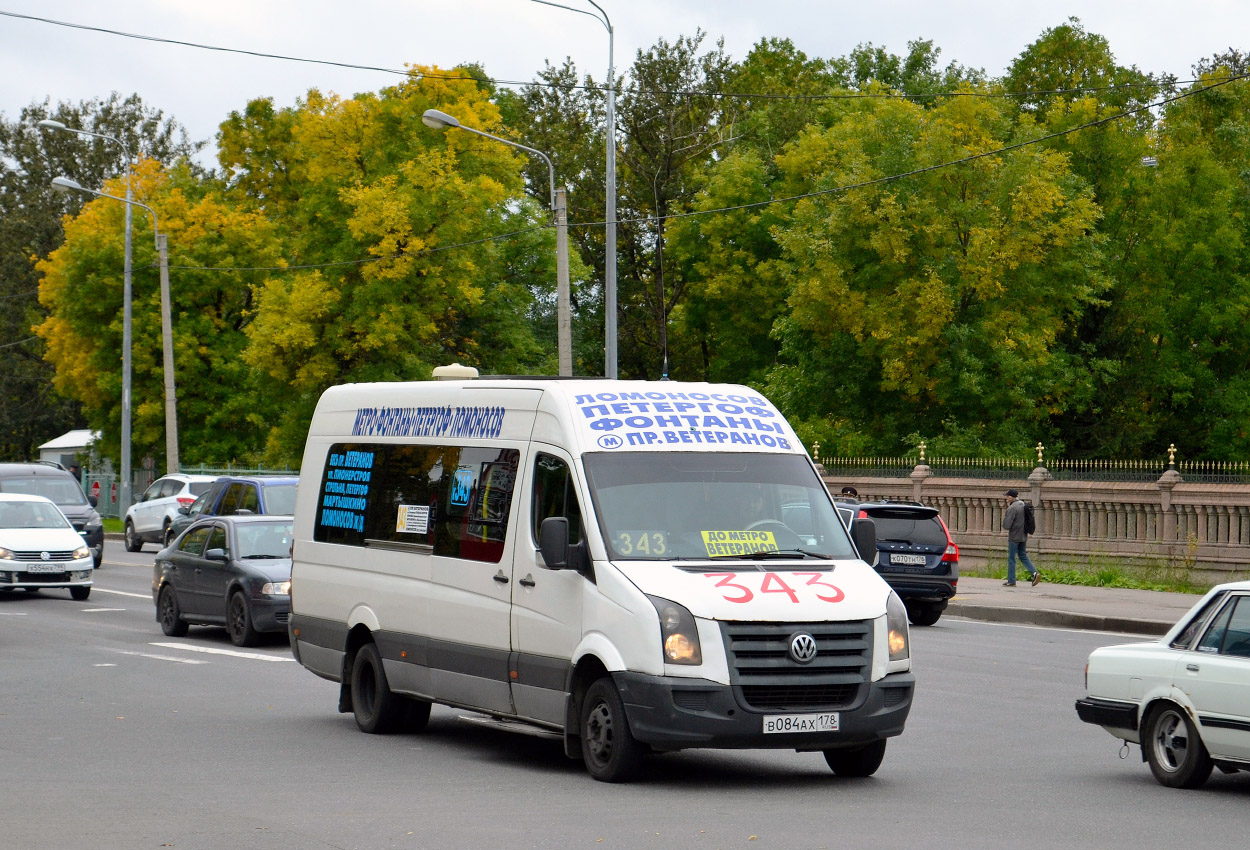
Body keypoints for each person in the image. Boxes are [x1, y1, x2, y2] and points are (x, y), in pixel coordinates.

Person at [1001, 489, 1040, 586]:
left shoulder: (1012, 508)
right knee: (1023, 555)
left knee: (1011, 558)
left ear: (1010, 497)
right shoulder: (1023, 505)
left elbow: (1006, 525)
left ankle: (1011, 581)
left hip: (1014, 536)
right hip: (1023, 535)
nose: (1007, 498)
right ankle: (1034, 572)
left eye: (1007, 496)